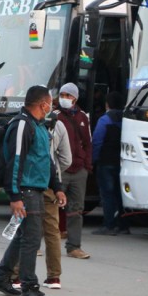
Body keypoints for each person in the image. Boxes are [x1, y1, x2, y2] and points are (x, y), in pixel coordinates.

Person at [0, 85, 67, 296]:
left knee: (24, 236)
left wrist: (57, 186)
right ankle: (29, 286)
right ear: (43, 104)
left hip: (36, 188)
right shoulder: (22, 125)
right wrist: (15, 196)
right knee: (32, 237)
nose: (52, 106)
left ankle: (1, 276)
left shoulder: (39, 126)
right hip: (26, 189)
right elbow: (15, 162)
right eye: (50, 102)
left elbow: (46, 160)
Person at [55, 82, 93, 259]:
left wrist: (87, 165)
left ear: (75, 98)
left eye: (68, 96)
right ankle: (36, 245)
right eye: (62, 95)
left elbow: (88, 143)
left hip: (79, 170)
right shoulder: (54, 116)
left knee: (76, 210)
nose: (65, 98)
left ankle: (74, 247)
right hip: (60, 170)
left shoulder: (83, 117)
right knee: (49, 208)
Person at [92, 91, 128, 236]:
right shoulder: (127, 119)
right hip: (122, 162)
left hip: (106, 162)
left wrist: (93, 160)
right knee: (121, 195)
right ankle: (123, 225)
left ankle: (109, 225)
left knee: (107, 194)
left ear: (107, 104)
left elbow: (97, 142)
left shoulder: (105, 120)